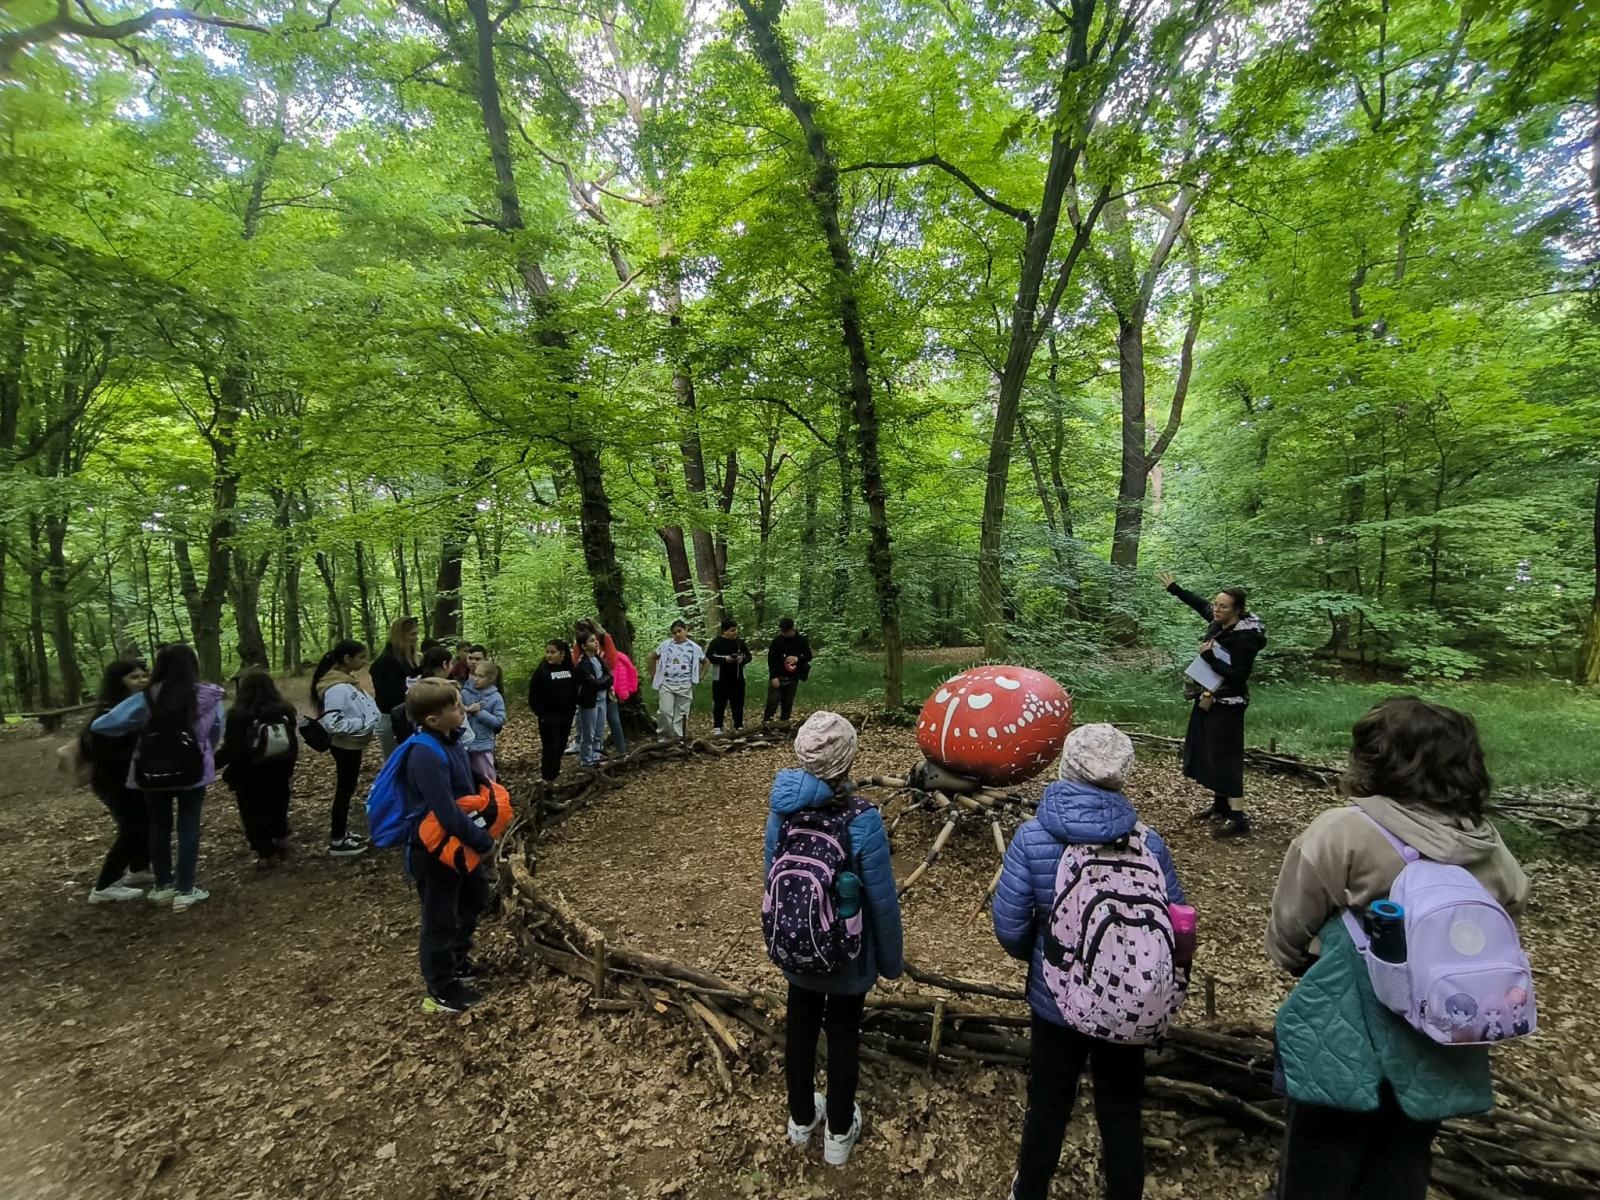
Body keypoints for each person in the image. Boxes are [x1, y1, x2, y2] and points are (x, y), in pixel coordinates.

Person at [1267, 697, 1529, 1200]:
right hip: (1442, 1034)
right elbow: (1509, 914)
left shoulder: (1344, 831)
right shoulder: (1488, 847)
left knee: (1317, 1162)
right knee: (1404, 1158)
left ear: (1377, 758)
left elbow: (1289, 931)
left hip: (1344, 1031)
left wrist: (1309, 960)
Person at [992, 723, 1186, 1200]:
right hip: (1129, 1002)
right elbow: (1178, 922)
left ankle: (1029, 1191)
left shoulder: (1033, 838)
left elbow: (1010, 927)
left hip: (1055, 1003)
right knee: (1120, 1108)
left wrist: (1045, 960)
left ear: (1066, 766)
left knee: (1048, 1104)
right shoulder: (1149, 843)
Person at [765, 711, 902, 1167]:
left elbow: (770, 877)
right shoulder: (863, 818)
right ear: (849, 760)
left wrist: (784, 935)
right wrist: (890, 963)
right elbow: (882, 901)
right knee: (843, 1035)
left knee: (800, 1031)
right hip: (848, 955)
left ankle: (801, 1119)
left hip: (797, 946)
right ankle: (839, 1133)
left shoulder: (782, 808)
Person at [89, 643, 225, 911]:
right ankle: (186, 889)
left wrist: (138, 730)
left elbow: (103, 725)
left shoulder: (148, 696)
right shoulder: (208, 695)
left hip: (151, 770)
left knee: (159, 825)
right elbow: (217, 729)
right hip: (193, 770)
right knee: (188, 825)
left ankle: (163, 886)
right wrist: (204, 750)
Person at [399, 677, 494, 1014]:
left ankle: (457, 959)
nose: (462, 708)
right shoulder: (425, 753)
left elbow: (464, 783)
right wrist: (482, 840)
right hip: (434, 850)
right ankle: (440, 989)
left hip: (458, 844)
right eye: (455, 706)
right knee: (439, 917)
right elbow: (446, 812)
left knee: (475, 895)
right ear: (432, 719)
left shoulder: (450, 739)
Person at [1159, 572, 1266, 840]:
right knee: (1209, 753)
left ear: (1237, 611)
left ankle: (1238, 818)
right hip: (1209, 699)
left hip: (1229, 704)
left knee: (1226, 758)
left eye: (1223, 607)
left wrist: (1209, 657)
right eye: (1216, 605)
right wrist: (1174, 588)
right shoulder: (1220, 623)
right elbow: (1200, 605)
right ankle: (1220, 806)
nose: (1216, 610)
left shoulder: (1245, 638)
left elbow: (1238, 676)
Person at [79, 658, 155, 903]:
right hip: (114, 780)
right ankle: (105, 885)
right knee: (132, 828)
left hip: (133, 777)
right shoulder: (109, 713)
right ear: (118, 681)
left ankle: (139, 869)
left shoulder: (138, 707)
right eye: (133, 677)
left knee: (146, 822)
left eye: (144, 675)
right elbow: (100, 752)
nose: (141, 681)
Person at [216, 670, 298, 868]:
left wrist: (212, 764)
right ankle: (281, 838)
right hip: (279, 768)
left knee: (252, 811)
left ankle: (265, 852)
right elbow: (292, 741)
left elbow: (233, 748)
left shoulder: (238, 714)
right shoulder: (285, 710)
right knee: (279, 804)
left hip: (249, 772)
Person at [311, 639, 382, 858]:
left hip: (353, 744)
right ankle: (338, 840)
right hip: (345, 746)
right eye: (360, 657)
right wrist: (364, 723)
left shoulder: (348, 682)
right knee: (344, 791)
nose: (364, 662)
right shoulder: (337, 688)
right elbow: (333, 722)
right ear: (346, 659)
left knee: (347, 790)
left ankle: (342, 834)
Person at [368, 616, 421, 756]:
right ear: (401, 635)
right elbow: (389, 694)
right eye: (412, 634)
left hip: (407, 715)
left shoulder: (410, 659)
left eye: (417, 633)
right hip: (391, 718)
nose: (416, 638)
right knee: (395, 759)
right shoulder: (386, 661)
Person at [527, 640, 578, 782]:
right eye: (547, 652)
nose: (549, 655)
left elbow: (574, 691)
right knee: (550, 748)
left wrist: (572, 709)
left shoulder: (569, 669)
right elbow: (533, 695)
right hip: (549, 717)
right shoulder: (542, 671)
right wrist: (542, 714)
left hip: (566, 716)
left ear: (562, 654)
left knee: (561, 746)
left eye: (553, 652)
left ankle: (555, 776)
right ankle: (547, 778)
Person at [648, 620, 707, 740]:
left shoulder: (694, 648)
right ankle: (664, 736)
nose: (677, 635)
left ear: (686, 630)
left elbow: (706, 662)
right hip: (667, 684)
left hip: (685, 684)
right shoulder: (666, 645)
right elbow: (652, 657)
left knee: (682, 713)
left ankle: (679, 737)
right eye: (674, 633)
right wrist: (654, 676)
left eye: (679, 631)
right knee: (665, 711)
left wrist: (700, 676)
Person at [390, 645, 454, 744]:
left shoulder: (412, 683)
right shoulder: (439, 689)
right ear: (445, 664)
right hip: (434, 738)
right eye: (451, 663)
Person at [461, 659, 506, 782]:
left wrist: (479, 713)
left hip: (483, 745)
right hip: (463, 744)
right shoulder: (464, 693)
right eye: (475, 675)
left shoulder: (495, 697)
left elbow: (499, 720)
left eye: (481, 676)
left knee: (487, 778)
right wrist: (466, 711)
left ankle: (491, 793)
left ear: (490, 679)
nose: (476, 679)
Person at [707, 618, 753, 735]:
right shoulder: (716, 642)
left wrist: (742, 659)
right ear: (725, 631)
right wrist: (724, 659)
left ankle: (739, 725)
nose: (735, 632)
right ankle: (717, 727)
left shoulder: (740, 642)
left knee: (738, 703)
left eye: (735, 630)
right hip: (720, 678)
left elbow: (749, 656)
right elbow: (709, 656)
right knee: (719, 703)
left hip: (737, 678)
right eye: (732, 630)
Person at [763, 617, 813, 723]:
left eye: (786, 631)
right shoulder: (777, 641)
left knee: (787, 703)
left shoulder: (801, 640)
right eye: (782, 631)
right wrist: (773, 677)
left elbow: (809, 656)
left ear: (792, 628)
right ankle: (767, 723)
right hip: (778, 675)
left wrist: (797, 659)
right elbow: (771, 660)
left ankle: (784, 725)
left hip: (793, 677)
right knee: (772, 703)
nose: (784, 633)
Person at [575, 633, 613, 767]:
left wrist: (602, 681)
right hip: (589, 703)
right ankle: (586, 761)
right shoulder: (582, 665)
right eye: (591, 641)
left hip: (602, 701)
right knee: (588, 735)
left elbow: (610, 677)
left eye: (595, 640)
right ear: (584, 646)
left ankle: (596, 757)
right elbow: (592, 684)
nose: (596, 642)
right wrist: (603, 681)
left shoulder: (599, 659)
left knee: (599, 733)